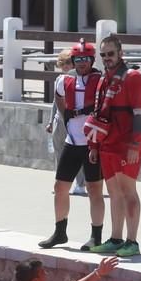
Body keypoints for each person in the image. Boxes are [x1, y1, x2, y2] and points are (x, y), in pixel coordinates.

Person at [39, 40, 105, 251]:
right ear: (73, 60)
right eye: (78, 59)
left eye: (86, 59)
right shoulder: (63, 80)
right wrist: (65, 114)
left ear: (92, 60)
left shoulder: (101, 81)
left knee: (95, 190)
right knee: (60, 187)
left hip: (93, 144)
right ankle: (60, 232)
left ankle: (96, 236)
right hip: (72, 141)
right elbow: (58, 98)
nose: (82, 62)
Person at [86, 36, 141, 257]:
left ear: (120, 53)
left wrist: (135, 144)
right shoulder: (104, 79)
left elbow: (140, 114)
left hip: (126, 144)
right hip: (106, 143)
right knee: (113, 192)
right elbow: (98, 113)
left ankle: (132, 242)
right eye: (103, 55)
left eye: (110, 54)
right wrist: (94, 145)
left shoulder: (133, 77)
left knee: (128, 191)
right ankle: (116, 238)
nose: (107, 58)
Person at [46, 49, 85, 194]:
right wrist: (50, 122)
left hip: (75, 121)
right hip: (59, 121)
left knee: (79, 153)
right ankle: (60, 183)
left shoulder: (81, 79)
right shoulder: (60, 79)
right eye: (62, 63)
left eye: (68, 62)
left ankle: (80, 184)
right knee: (59, 153)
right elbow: (55, 103)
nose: (66, 66)